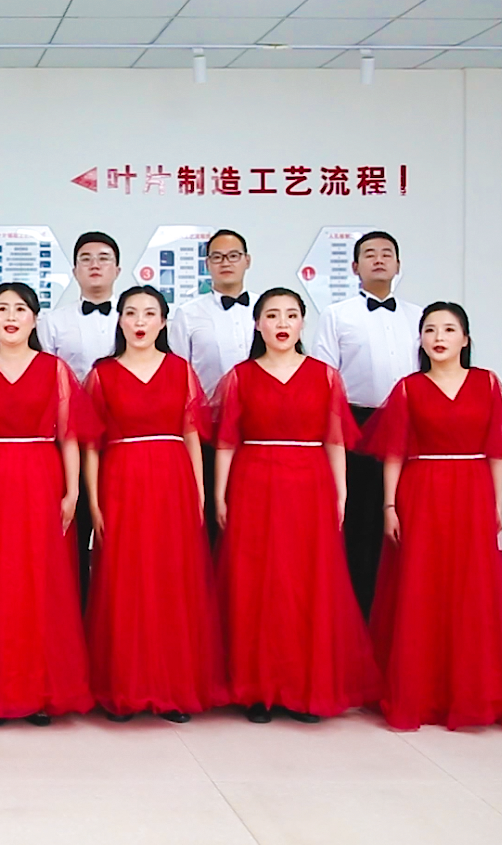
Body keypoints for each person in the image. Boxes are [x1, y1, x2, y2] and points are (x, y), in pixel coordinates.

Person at [359, 302, 502, 731]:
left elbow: (497, 449)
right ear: (420, 340)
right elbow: (394, 452)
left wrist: (497, 503)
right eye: (430, 329)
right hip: (422, 491)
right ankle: (422, 690)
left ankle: (477, 689)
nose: (439, 337)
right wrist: (390, 505)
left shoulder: (486, 383)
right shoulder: (408, 388)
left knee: (474, 587)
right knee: (422, 585)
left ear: (465, 339)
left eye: (449, 329)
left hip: (472, 490)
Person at [213, 288, 382, 723]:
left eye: (291, 314)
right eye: (272, 315)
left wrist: (341, 493)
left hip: (309, 484)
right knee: (256, 583)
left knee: (307, 583)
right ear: (258, 325)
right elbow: (227, 441)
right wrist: (220, 494)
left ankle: (307, 686)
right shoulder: (240, 377)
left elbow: (335, 440)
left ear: (303, 322)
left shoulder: (325, 376)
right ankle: (257, 688)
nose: (282, 323)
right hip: (253, 482)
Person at [0, 282, 94, 725]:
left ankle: (40, 691)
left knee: (41, 582)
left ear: (34, 318)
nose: (11, 317)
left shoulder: (55, 369)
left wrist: (72, 491)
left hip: (41, 478)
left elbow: (69, 435)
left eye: (20, 309)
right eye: (2, 309)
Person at [82, 285, 225, 723]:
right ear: (120, 321)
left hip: (172, 480)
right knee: (124, 579)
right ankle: (123, 687)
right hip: (121, 479)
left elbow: (191, 435)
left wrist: (198, 492)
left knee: (172, 579)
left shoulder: (180, 370)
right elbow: (91, 445)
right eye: (131, 313)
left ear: (163, 322)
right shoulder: (101, 374)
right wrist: (95, 501)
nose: (140, 321)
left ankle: (174, 688)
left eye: (149, 313)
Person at [311, 231, 423, 616]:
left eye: (387, 253)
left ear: (398, 265)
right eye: (370, 254)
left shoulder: (418, 316)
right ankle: (359, 615)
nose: (379, 259)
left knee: (407, 521)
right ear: (355, 267)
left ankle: (403, 613)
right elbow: (325, 378)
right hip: (357, 424)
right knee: (360, 522)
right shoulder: (337, 315)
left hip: (408, 426)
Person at [39, 231, 121, 605]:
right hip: (69, 444)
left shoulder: (134, 316)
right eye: (86, 259)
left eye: (103, 258)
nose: (95, 265)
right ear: (74, 270)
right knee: (71, 530)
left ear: (117, 269)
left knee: (118, 535)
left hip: (122, 441)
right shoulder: (52, 321)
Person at [168, 230, 257, 542]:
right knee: (209, 518)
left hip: (257, 430)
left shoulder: (267, 309)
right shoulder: (188, 313)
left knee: (251, 514)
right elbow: (177, 376)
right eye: (217, 257)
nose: (226, 263)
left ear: (247, 261)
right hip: (208, 429)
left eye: (233, 256)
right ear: (207, 264)